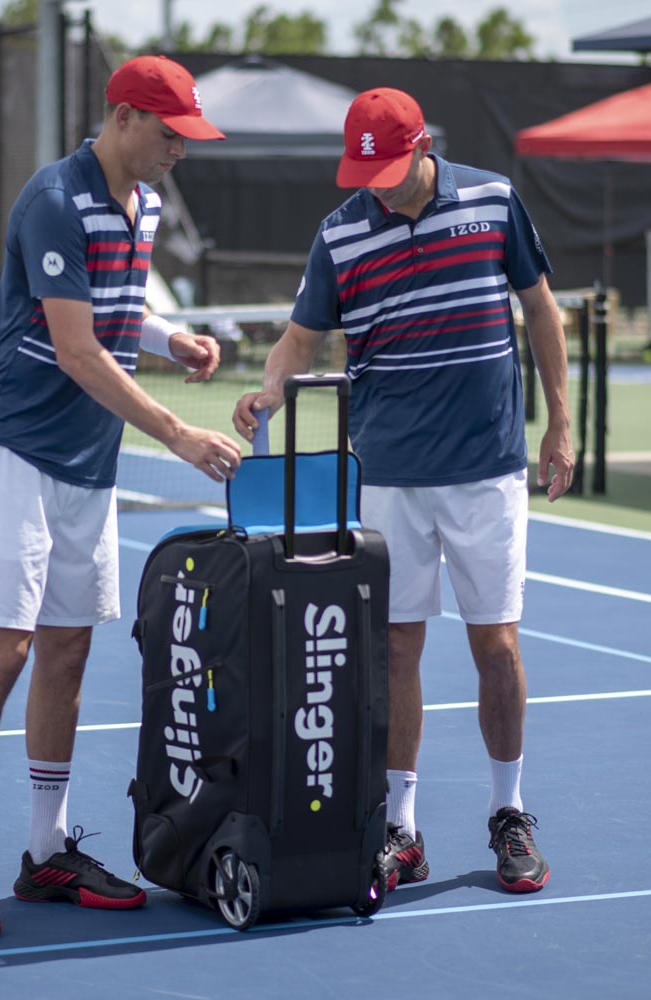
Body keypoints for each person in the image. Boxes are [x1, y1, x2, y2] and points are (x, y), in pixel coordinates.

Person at [0, 55, 241, 938]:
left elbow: (113, 311)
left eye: (189, 137)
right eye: (172, 133)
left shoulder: (147, 203)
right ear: (125, 117)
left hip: (86, 466)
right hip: (13, 450)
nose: (181, 150)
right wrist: (176, 433)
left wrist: (170, 337)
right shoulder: (55, 198)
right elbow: (76, 349)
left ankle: (47, 850)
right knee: (5, 651)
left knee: (65, 654)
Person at [232, 87, 573, 895]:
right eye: (364, 172)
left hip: (486, 472)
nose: (376, 186)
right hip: (384, 477)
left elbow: (541, 307)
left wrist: (561, 423)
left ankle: (509, 812)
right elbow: (300, 335)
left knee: (497, 648)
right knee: (395, 650)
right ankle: (401, 828)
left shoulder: (493, 200)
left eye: (387, 169)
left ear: (425, 148)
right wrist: (270, 389)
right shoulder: (340, 231)